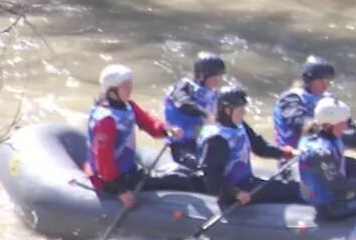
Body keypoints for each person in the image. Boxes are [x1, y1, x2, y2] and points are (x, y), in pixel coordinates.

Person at [83, 63, 203, 203]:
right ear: (111, 91)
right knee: (180, 181)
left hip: (130, 170)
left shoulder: (128, 106)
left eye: (130, 86)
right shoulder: (106, 120)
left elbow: (149, 123)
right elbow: (104, 160)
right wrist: (120, 190)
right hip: (115, 180)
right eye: (126, 87)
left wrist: (166, 130)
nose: (130, 90)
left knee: (184, 173)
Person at [197, 86, 298, 206]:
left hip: (248, 183)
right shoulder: (216, 139)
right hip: (233, 193)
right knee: (292, 191)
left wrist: (284, 153)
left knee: (292, 187)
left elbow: (260, 147)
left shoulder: (239, 125)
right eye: (240, 110)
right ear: (228, 111)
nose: (244, 113)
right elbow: (212, 178)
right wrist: (236, 193)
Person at [163, 52, 228, 169]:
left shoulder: (212, 93)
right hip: (181, 145)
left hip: (200, 142)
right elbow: (183, 104)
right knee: (202, 169)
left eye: (220, 76)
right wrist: (204, 113)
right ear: (202, 75)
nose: (218, 80)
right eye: (215, 77)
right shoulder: (183, 87)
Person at [273, 56, 338, 151]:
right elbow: (296, 120)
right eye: (320, 81)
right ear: (308, 80)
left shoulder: (329, 99)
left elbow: (346, 123)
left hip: (322, 153)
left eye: (328, 81)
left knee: (355, 165)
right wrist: (321, 125)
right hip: (293, 157)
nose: (325, 85)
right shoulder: (291, 98)